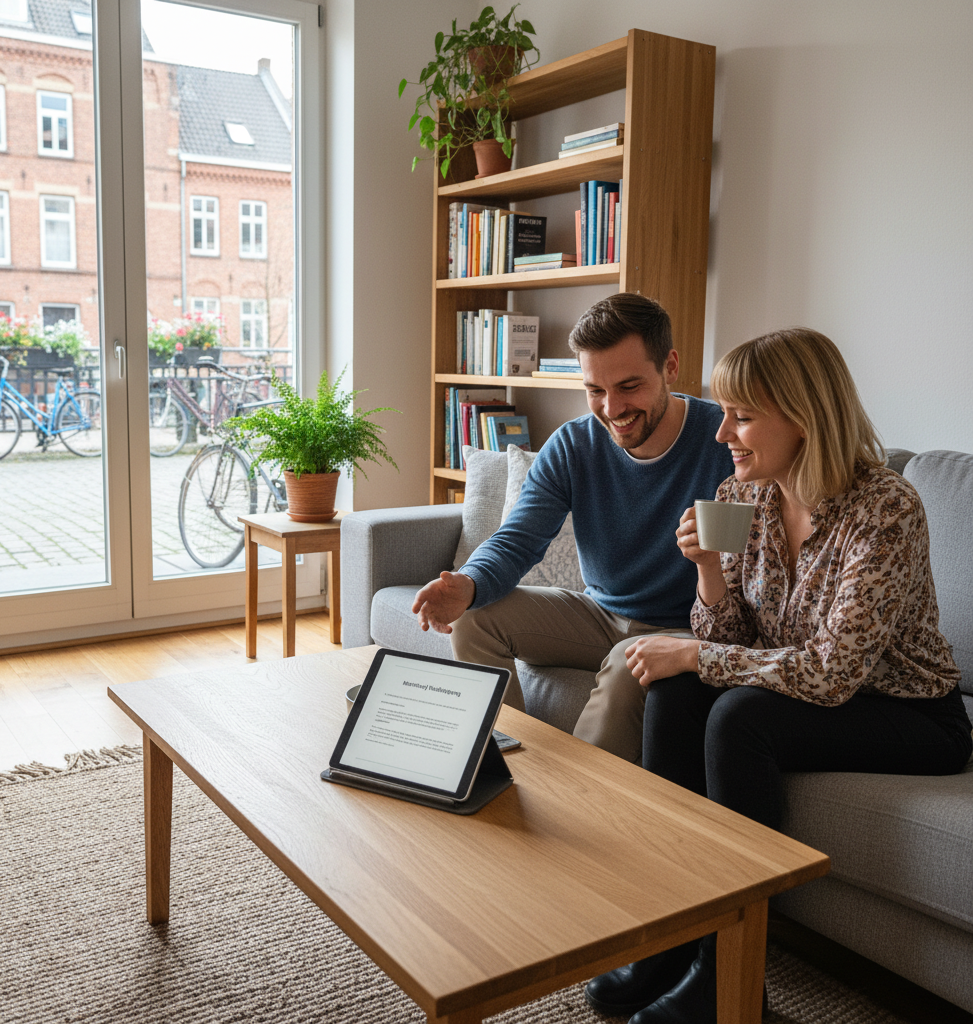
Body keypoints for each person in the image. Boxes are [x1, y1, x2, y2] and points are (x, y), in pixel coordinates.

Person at [584, 327, 973, 1023]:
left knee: (740, 715)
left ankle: (727, 979)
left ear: (804, 414)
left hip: (912, 713)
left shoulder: (885, 508)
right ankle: (671, 941)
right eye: (726, 411)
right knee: (675, 691)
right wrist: (707, 572)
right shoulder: (745, 493)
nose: (722, 432)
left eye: (742, 415)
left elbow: (830, 673)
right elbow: (729, 637)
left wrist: (699, 655)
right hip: (817, 691)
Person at [411, 293, 734, 764]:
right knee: (476, 618)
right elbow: (519, 537)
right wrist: (469, 582)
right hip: (601, 614)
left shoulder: (725, 441)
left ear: (670, 365)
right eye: (595, 390)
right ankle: (501, 767)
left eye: (628, 386)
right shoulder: (574, 444)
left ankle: (576, 804)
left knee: (631, 661)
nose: (612, 408)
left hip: (689, 628)